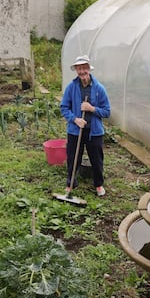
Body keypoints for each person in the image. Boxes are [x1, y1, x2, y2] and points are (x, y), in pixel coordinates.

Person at [60, 54, 111, 197]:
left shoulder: (99, 88)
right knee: (73, 158)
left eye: (84, 68)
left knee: (97, 160)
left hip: (94, 132)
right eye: (79, 68)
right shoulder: (71, 87)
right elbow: (64, 107)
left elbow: (107, 111)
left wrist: (92, 109)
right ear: (76, 70)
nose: (82, 71)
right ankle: (71, 184)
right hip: (75, 131)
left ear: (89, 69)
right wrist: (75, 119)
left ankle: (98, 185)